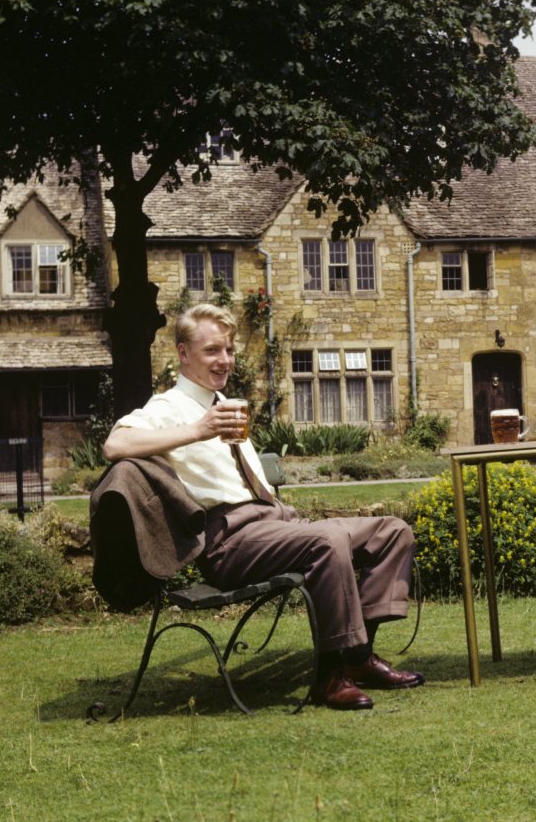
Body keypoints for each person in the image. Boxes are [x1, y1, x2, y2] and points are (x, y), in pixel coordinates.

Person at [103, 303, 424, 711]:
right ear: (183, 354)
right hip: (229, 540)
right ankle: (330, 676)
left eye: (229, 350)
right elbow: (115, 445)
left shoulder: (222, 401)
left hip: (275, 524)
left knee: (393, 531)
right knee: (328, 541)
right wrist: (198, 430)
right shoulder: (167, 408)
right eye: (212, 351)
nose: (224, 360)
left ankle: (357, 658)